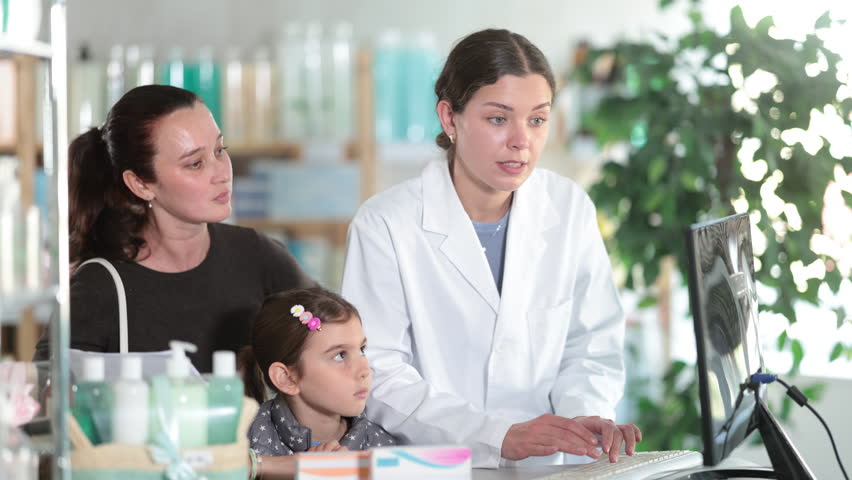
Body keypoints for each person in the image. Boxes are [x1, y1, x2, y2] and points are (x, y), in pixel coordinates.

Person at [341, 28, 641, 468]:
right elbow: (378, 374)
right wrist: (497, 435)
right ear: (450, 119)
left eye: (537, 119)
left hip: (554, 469)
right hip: (442, 467)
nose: (521, 140)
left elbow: (591, 345)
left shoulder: (568, 207)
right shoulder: (386, 223)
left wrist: (584, 420)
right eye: (498, 119)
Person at [34, 85, 313, 372]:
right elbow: (45, 395)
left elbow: (322, 331)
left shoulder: (257, 257)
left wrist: (312, 329)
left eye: (220, 150)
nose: (221, 173)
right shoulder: (102, 286)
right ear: (141, 184)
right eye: (195, 164)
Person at [240, 287, 397, 477]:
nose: (365, 370)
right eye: (339, 355)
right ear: (286, 378)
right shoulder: (241, 440)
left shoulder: (381, 447)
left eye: (362, 349)